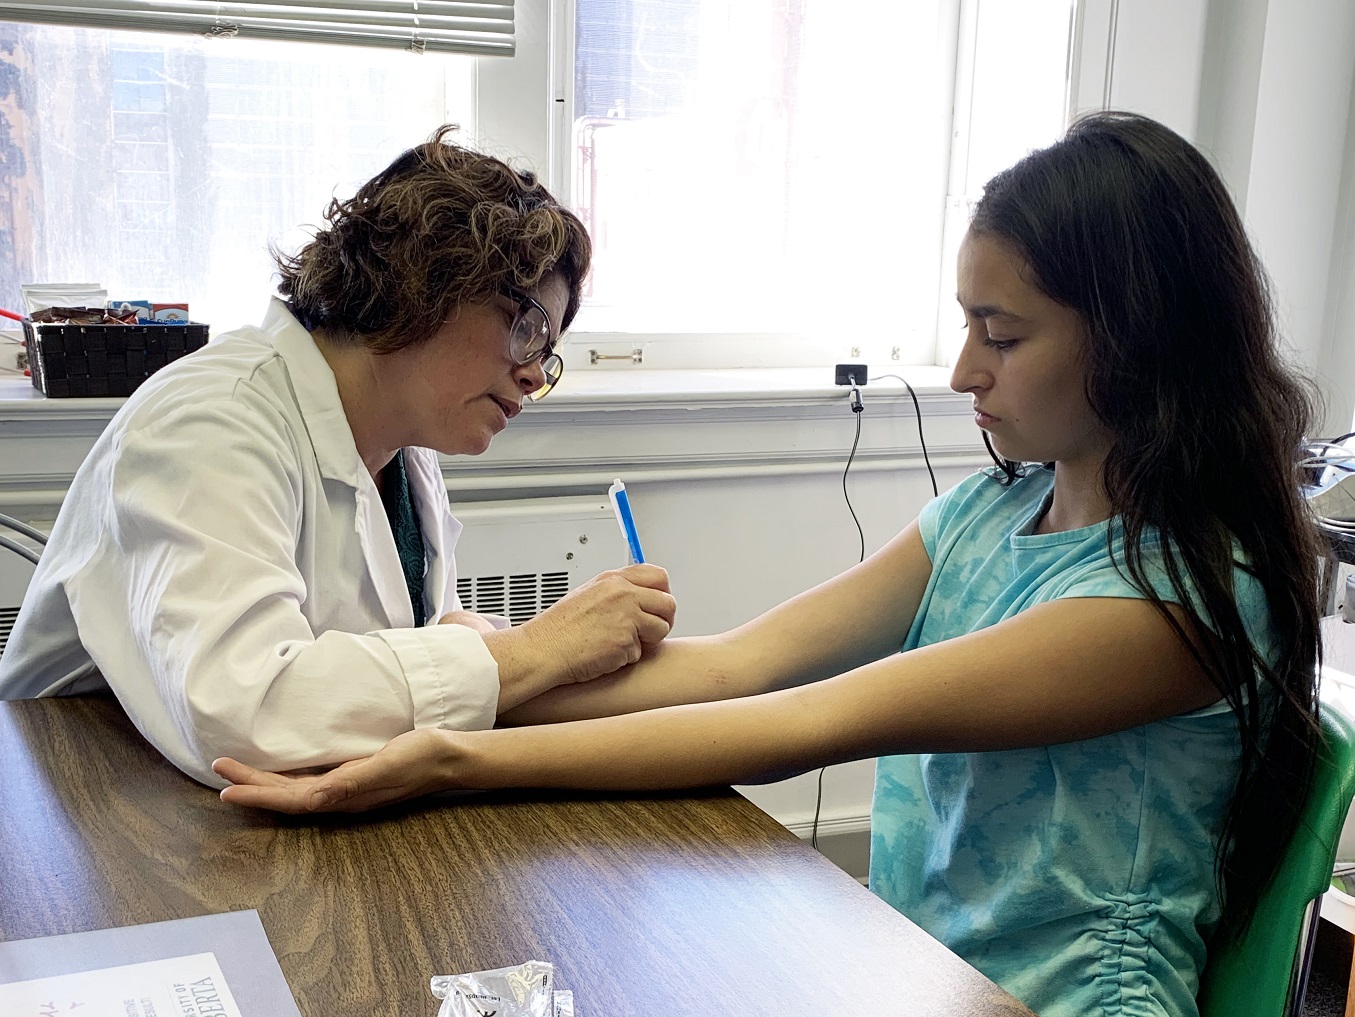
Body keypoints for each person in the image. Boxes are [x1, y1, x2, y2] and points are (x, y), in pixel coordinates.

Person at [213, 112, 1324, 1017]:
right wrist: (478, 685)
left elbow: (805, 724)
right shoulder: (988, 519)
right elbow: (737, 667)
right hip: (922, 975)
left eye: (1002, 333)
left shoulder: (1169, 608)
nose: (959, 371)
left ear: (1137, 335)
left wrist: (453, 755)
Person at [0, 126, 676, 787]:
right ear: (427, 282)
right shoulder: (210, 421)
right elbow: (243, 713)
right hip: (77, 803)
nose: (534, 375)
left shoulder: (402, 446)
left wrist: (461, 630)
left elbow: (385, 656)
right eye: (527, 329)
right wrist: (531, 651)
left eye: (546, 351)